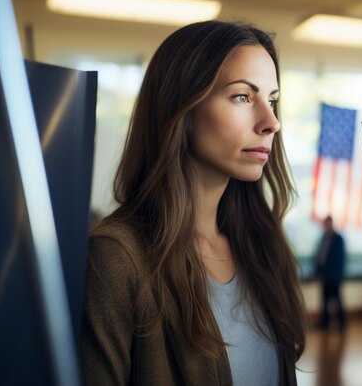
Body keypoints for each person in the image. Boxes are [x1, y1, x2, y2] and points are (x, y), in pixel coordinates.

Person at [80, 20, 306, 385]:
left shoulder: (262, 245)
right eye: (243, 97)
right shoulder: (115, 261)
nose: (270, 122)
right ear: (181, 107)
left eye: (272, 100)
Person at [314, 216, 346, 331]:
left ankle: (342, 324)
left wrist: (334, 275)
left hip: (334, 276)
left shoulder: (338, 239)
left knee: (337, 300)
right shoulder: (323, 238)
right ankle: (325, 323)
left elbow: (338, 259)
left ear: (331, 223)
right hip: (324, 276)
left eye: (327, 223)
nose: (325, 226)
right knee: (324, 300)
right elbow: (320, 257)